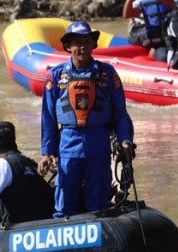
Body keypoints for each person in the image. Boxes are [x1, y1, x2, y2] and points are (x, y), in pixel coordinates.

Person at [37, 21, 135, 219]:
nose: (82, 47)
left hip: (99, 143)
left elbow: (120, 113)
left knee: (98, 198)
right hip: (68, 143)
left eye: (86, 42)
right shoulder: (56, 77)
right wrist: (47, 152)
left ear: (93, 45)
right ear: (68, 46)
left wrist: (125, 140)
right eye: (77, 42)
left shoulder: (107, 74)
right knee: (65, 196)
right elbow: (47, 117)